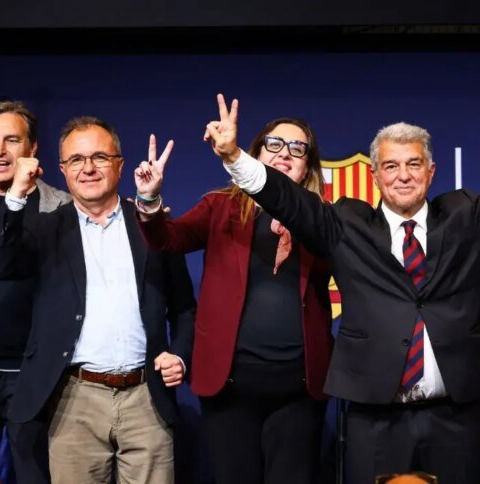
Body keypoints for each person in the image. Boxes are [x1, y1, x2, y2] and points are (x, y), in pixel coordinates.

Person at [200, 89, 480, 483]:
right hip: (376, 417)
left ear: (431, 172)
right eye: (391, 166)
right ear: (375, 175)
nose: (403, 176)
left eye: (414, 164)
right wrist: (234, 157)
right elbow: (287, 200)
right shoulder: (346, 224)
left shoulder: (465, 216)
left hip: (454, 416)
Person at [0, 116, 196, 483]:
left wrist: (179, 354)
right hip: (74, 401)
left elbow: (184, 307)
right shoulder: (45, 229)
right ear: (62, 170)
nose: (87, 169)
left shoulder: (152, 225)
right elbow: (2, 265)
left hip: (146, 398)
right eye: (76, 160)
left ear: (120, 164)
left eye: (99, 157)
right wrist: (17, 193)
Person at [133, 118, 332, 483]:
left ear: (308, 167)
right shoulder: (220, 206)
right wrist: (148, 200)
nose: (284, 154)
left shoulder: (323, 218)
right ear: (255, 154)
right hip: (230, 388)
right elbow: (168, 240)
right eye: (274, 144)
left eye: (297, 148)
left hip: (298, 390)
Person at [0, 101, 71, 483]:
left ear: (32, 149)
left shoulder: (60, 206)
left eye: (11, 140)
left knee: (36, 475)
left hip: (34, 376)